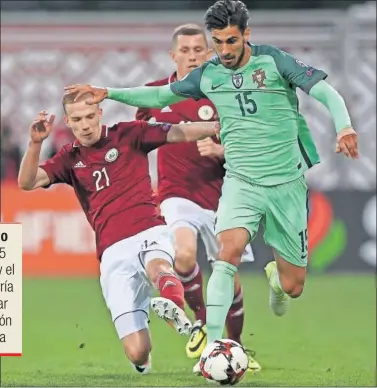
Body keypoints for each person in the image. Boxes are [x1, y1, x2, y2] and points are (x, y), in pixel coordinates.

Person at [63, 0, 359, 375]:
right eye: (217, 42)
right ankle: (213, 348)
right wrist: (108, 91)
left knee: (294, 284)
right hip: (240, 182)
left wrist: (344, 126)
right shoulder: (209, 74)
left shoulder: (275, 61)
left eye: (231, 41)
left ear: (246, 35)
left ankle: (277, 282)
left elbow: (325, 92)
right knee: (227, 253)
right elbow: (158, 97)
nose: (224, 50)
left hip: (285, 183)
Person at [17, 92, 219, 375]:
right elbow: (26, 182)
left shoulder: (129, 134)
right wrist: (35, 143)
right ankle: (144, 343)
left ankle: (172, 304)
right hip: (113, 252)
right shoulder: (69, 158)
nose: (85, 124)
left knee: (158, 265)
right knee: (137, 352)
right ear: (68, 122)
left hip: (149, 228)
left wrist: (216, 126)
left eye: (90, 116)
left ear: (100, 114)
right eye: (77, 119)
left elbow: (179, 132)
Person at [135, 23, 260, 372]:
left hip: (225, 200)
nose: (191, 56)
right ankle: (204, 322)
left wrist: (221, 151)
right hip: (177, 195)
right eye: (185, 51)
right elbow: (135, 141)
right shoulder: (155, 94)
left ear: (209, 54)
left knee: (229, 278)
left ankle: (235, 348)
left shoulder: (226, 94)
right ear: (173, 55)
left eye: (198, 50)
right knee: (184, 254)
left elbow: (252, 151)